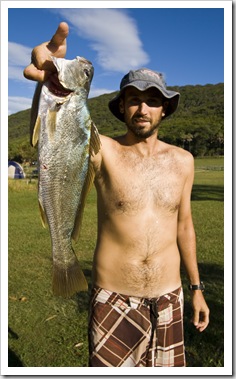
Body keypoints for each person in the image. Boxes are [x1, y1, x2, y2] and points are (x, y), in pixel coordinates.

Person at [24, 22, 210, 367]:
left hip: (170, 298)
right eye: (134, 100)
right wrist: (49, 80)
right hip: (113, 300)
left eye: (152, 101)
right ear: (121, 107)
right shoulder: (103, 150)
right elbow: (58, 132)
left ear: (164, 109)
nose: (143, 109)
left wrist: (196, 289)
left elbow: (185, 226)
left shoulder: (184, 160)